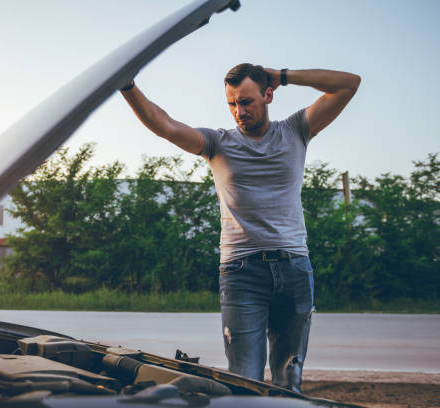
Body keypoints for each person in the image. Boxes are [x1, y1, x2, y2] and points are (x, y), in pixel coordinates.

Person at [120, 64, 360, 393]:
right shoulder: (217, 143)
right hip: (241, 272)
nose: (239, 111)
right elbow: (165, 126)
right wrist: (128, 87)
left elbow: (349, 85)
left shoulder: (295, 130)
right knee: (244, 383)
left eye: (246, 102)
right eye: (232, 104)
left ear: (268, 95)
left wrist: (286, 75)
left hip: (294, 268)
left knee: (289, 384)